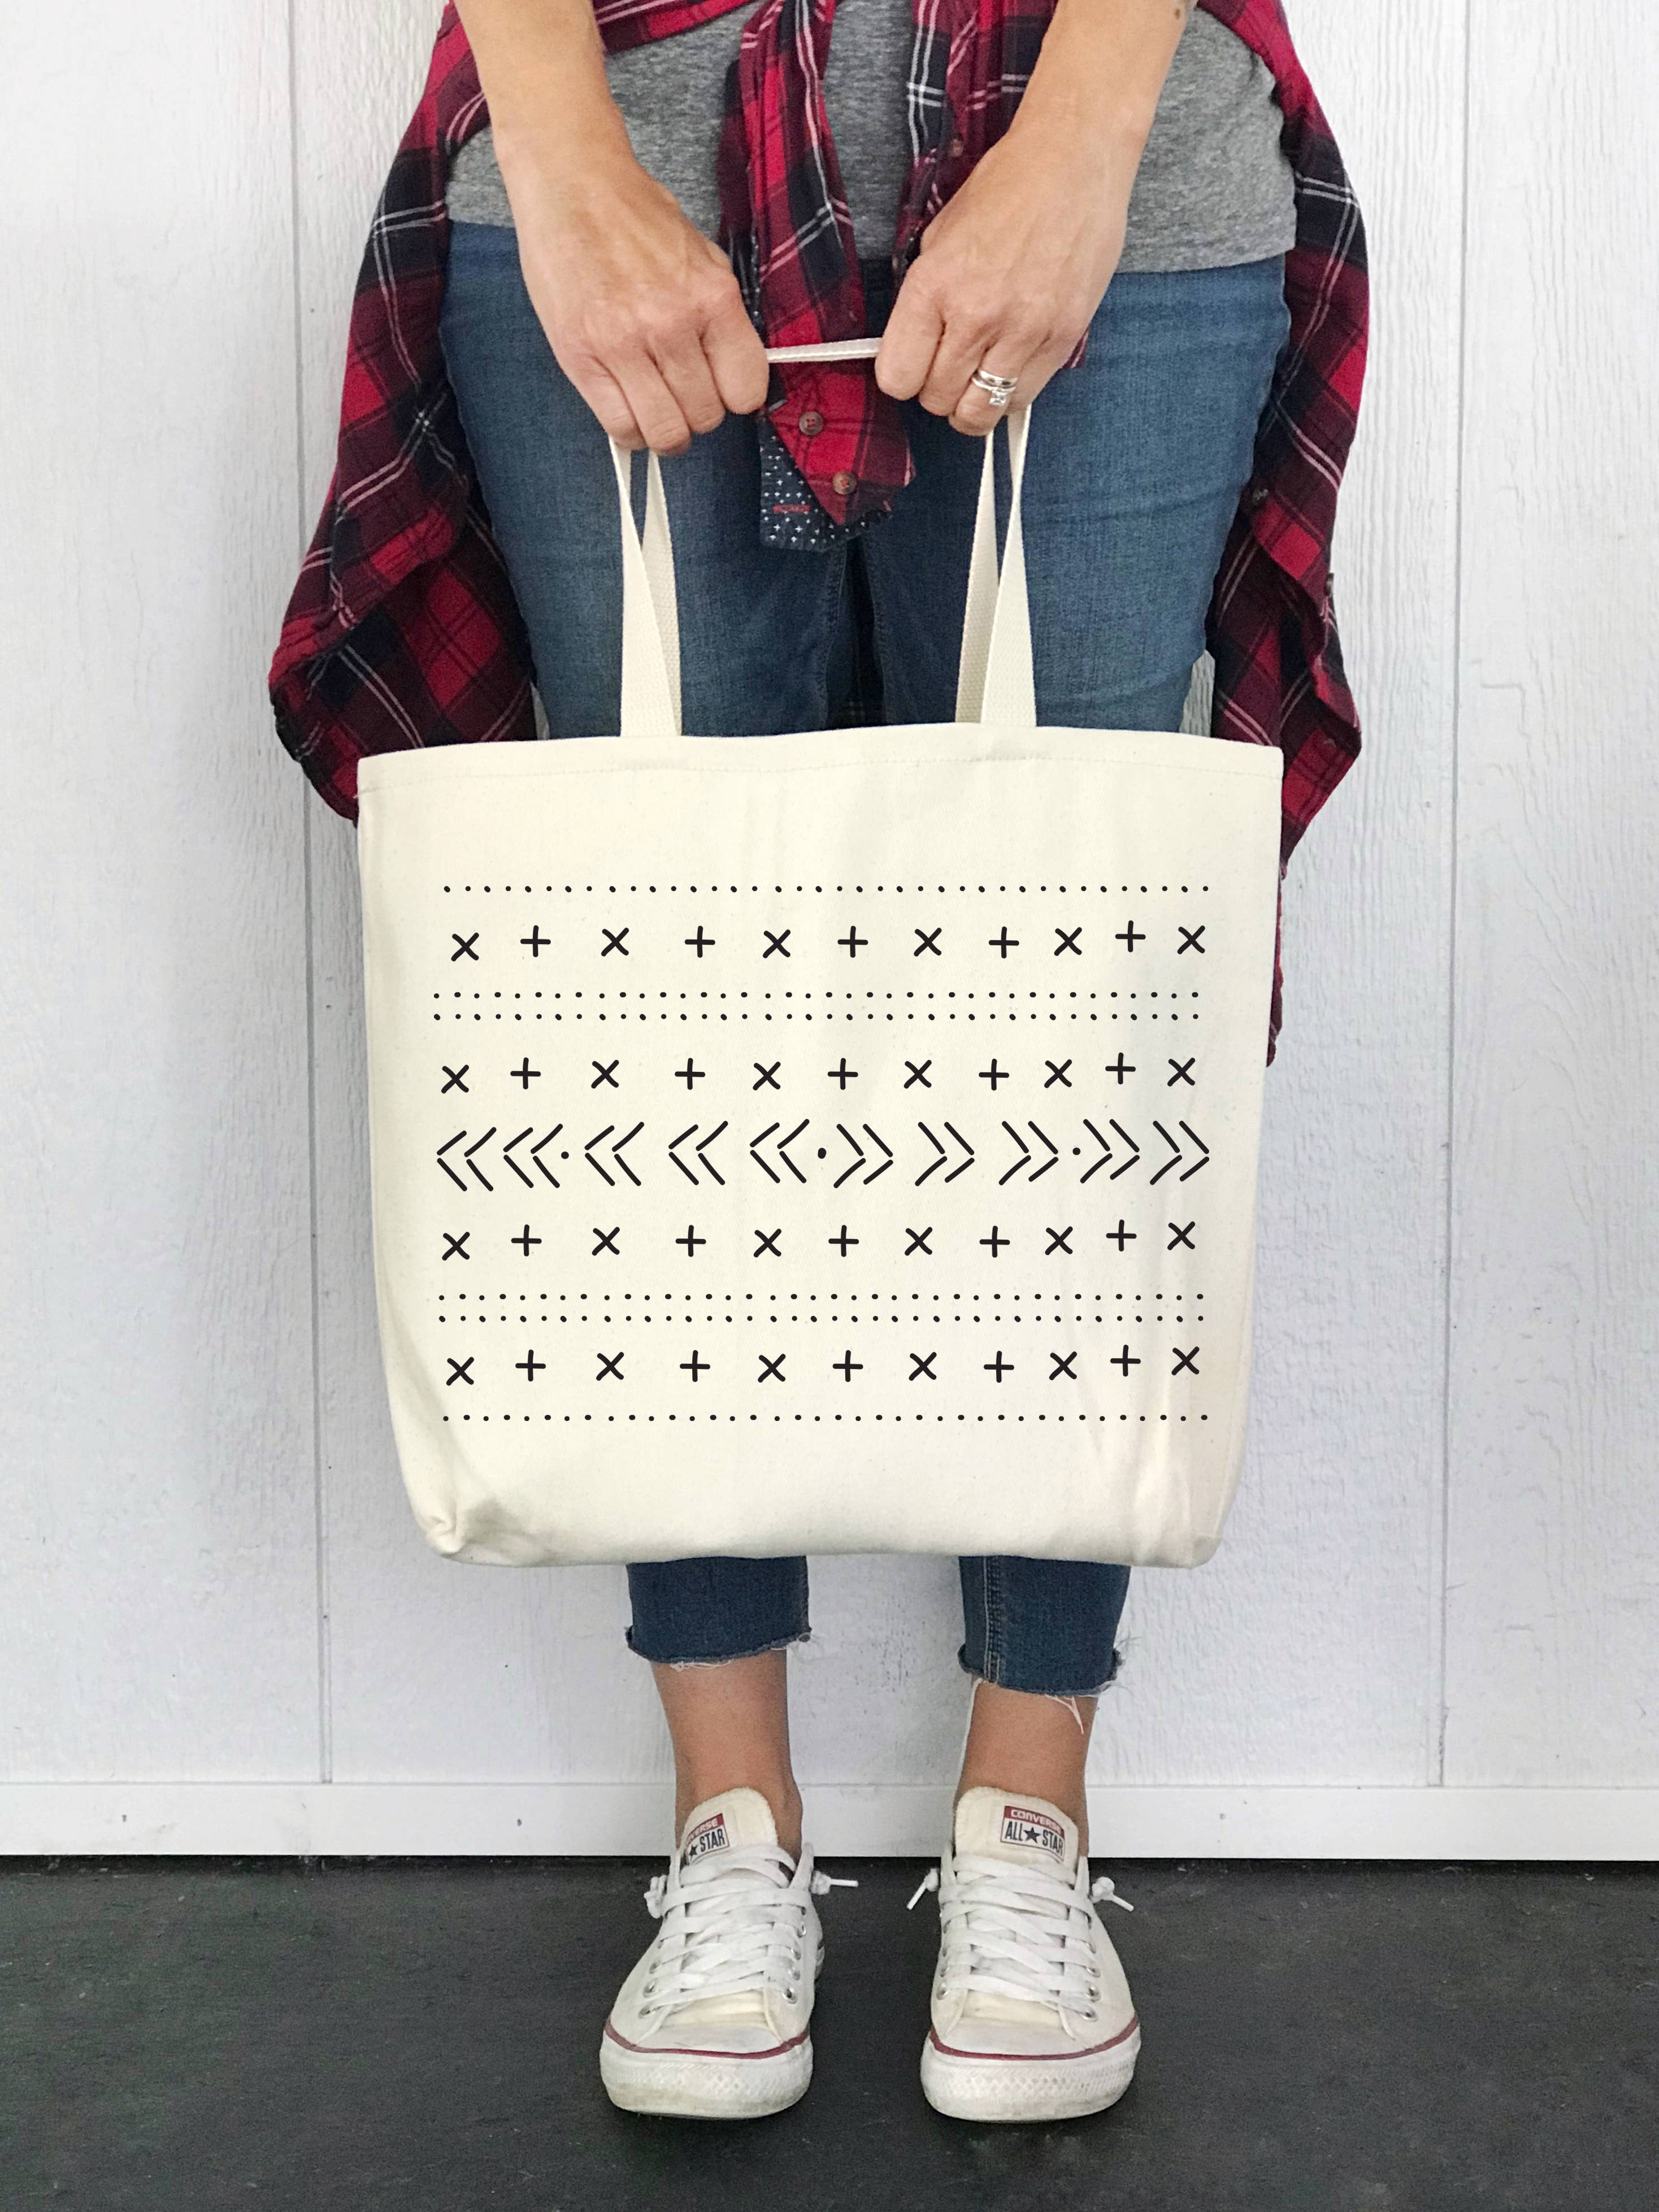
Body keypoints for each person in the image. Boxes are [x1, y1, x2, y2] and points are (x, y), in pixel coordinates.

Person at [270, 0, 1366, 2131]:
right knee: (651, 1026)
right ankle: (731, 1829)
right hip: (615, 151)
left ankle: (1028, 1816)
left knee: (1068, 1015)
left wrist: (1084, 141)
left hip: (1118, 179)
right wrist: (563, 158)